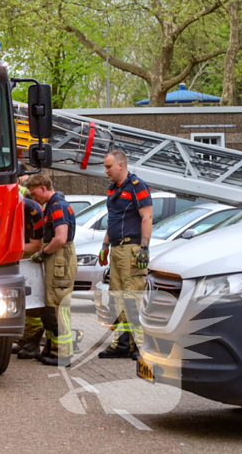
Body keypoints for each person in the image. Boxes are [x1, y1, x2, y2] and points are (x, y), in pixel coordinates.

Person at [98, 149, 153, 359]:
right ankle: (123, 344)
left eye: (109, 166)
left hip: (132, 249)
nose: (106, 171)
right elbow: (112, 219)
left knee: (133, 298)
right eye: (105, 167)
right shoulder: (113, 189)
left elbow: (146, 218)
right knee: (117, 297)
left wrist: (144, 249)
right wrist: (105, 246)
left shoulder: (137, 187)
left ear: (121, 165)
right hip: (116, 249)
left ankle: (142, 346)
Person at [26, 172, 78, 367]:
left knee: (58, 307)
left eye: (34, 193)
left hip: (59, 259)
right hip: (57, 259)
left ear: (43, 188)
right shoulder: (53, 206)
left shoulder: (58, 207)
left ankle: (62, 353)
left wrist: (44, 253)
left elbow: (60, 238)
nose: (33, 197)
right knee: (50, 307)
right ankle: (52, 348)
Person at [14, 194, 45, 359]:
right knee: (20, 303)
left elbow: (35, 245)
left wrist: (9, 247)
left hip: (29, 259)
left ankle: (32, 343)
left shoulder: (32, 211)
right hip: (17, 257)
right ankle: (24, 340)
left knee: (31, 304)